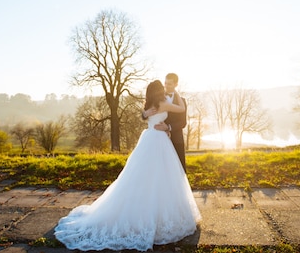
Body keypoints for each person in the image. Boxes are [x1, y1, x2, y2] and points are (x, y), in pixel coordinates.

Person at [54, 80, 201, 251]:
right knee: (163, 177)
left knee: (140, 176)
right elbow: (182, 109)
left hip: (148, 138)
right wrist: (178, 95)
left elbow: (144, 115)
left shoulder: (148, 105)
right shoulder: (164, 103)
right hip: (160, 141)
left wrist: (146, 115)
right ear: (160, 91)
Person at [143, 73, 187, 171]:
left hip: (176, 139)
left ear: (176, 84)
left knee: (178, 170)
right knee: (160, 169)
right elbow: (145, 114)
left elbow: (183, 122)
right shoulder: (157, 100)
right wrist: (144, 114)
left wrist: (168, 127)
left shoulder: (182, 100)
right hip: (160, 138)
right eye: (165, 83)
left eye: (169, 84)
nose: (166, 86)